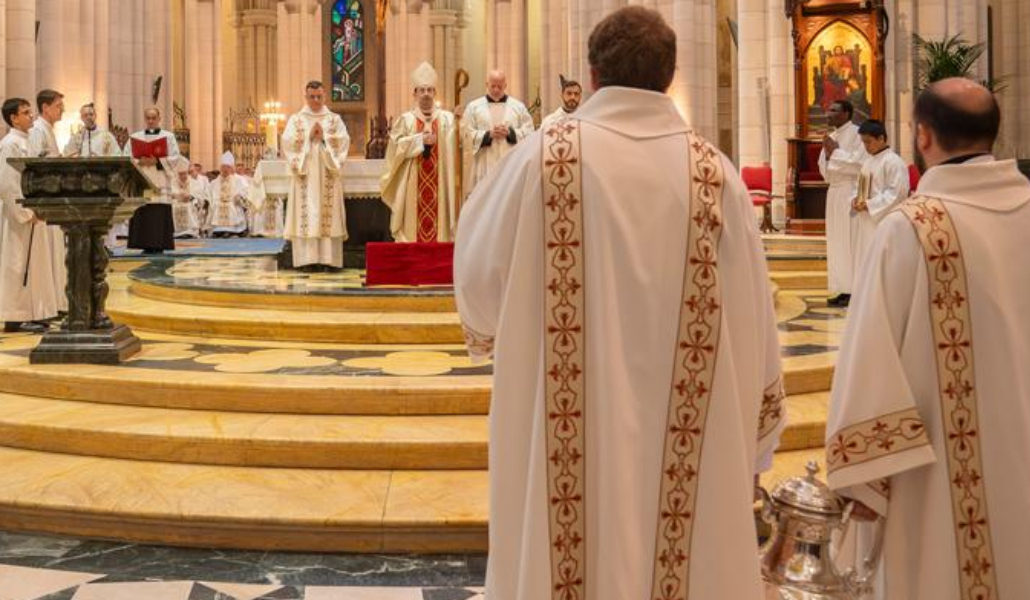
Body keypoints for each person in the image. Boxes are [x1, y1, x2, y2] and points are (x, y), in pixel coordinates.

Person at [454, 7, 784, 600]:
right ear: (668, 75)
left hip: (561, 448)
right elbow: (759, 323)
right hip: (693, 447)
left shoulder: (540, 159)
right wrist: (756, 442)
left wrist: (495, 331)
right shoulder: (717, 177)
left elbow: (476, 278)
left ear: (593, 72)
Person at [825, 78, 1030, 600]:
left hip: (943, 482)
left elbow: (868, 364)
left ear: (922, 136)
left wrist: (863, 480)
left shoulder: (913, 230)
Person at [380, 62, 458, 242]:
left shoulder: (448, 119)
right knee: (411, 227)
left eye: (430, 90)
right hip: (412, 181)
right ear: (414, 93)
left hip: (441, 182)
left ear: (435, 93)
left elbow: (460, 146)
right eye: (422, 90)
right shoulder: (406, 120)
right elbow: (395, 147)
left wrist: (461, 122)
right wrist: (419, 141)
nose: (426, 94)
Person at [0, 98, 59, 333]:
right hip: (19, 216)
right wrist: (25, 212)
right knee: (17, 263)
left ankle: (34, 311)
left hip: (35, 210)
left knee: (34, 264)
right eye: (25, 113)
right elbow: (8, 183)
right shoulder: (9, 144)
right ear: (13, 118)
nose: (31, 117)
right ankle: (14, 315)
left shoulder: (26, 142)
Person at [280, 81, 350, 269]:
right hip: (305, 174)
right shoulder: (296, 120)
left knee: (327, 216)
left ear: (324, 96)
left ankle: (329, 261)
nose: (316, 100)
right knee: (308, 215)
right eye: (312, 96)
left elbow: (343, 142)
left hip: (328, 172)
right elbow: (287, 142)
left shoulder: (334, 119)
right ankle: (306, 261)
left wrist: (325, 138)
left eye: (319, 96)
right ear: (306, 97)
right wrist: (308, 138)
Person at [819, 99, 867, 307]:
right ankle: (839, 287)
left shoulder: (858, 134)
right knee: (836, 241)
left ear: (847, 113)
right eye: (828, 109)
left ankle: (853, 289)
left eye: (834, 110)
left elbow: (859, 164)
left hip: (850, 191)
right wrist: (831, 157)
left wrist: (835, 153)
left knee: (849, 241)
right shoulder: (830, 137)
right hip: (834, 192)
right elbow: (824, 168)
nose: (828, 114)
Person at [849, 119, 909, 275]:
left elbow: (897, 194)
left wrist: (869, 205)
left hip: (883, 220)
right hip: (866, 221)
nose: (865, 147)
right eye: (863, 142)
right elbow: (858, 185)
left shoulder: (894, 162)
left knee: (881, 266)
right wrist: (855, 199)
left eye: (868, 142)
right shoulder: (868, 162)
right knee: (865, 262)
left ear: (881, 138)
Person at [26, 89, 67, 312]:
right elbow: (34, 165)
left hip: (54, 198)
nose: (63, 110)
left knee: (55, 251)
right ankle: (48, 305)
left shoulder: (48, 130)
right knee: (47, 254)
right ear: (45, 108)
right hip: (45, 199)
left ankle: (55, 302)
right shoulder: (37, 131)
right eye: (59, 106)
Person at [460, 69, 534, 192]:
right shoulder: (474, 107)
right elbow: (466, 133)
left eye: (499, 86)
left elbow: (530, 132)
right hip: (484, 163)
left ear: (505, 85)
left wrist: (511, 133)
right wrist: (488, 135)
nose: (496, 90)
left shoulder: (518, 107)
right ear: (486, 84)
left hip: (510, 163)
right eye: (493, 86)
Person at [125, 107, 180, 254]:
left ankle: (159, 243)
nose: (150, 121)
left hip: (160, 179)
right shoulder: (135, 137)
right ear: (145, 119)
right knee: (143, 211)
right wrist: (139, 160)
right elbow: (127, 157)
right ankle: (142, 243)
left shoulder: (168, 137)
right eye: (148, 118)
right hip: (142, 179)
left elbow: (175, 158)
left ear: (159, 118)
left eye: (153, 118)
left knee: (158, 213)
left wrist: (157, 161)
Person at [206, 152, 249, 238]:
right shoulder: (215, 182)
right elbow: (209, 193)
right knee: (218, 205)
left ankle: (231, 230)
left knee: (230, 206)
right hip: (219, 202)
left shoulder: (238, 180)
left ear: (231, 168)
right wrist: (214, 201)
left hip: (232, 202)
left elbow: (244, 191)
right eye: (223, 167)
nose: (225, 170)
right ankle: (218, 230)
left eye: (227, 168)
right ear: (220, 168)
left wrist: (239, 196)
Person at [168, 159, 202, 239]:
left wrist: (190, 197)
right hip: (177, 203)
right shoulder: (173, 182)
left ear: (187, 173)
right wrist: (177, 196)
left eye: (184, 174)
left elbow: (199, 196)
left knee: (188, 207)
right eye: (180, 174)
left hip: (190, 203)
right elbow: (171, 193)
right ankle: (177, 231)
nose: (183, 176)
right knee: (173, 207)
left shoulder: (193, 182)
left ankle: (190, 231)